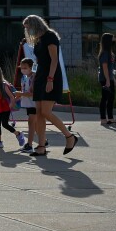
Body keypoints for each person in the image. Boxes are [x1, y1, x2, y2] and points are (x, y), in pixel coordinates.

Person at [23, 15, 78, 157]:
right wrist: (34, 81)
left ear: (35, 25)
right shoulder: (38, 40)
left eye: (28, 28)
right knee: (39, 113)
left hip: (51, 77)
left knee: (46, 112)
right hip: (40, 76)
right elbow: (39, 62)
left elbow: (54, 60)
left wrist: (50, 79)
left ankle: (69, 136)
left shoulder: (50, 36)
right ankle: (41, 146)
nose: (27, 31)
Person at [0, 64, 25, 149]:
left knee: (5, 124)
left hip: (5, 108)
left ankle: (18, 134)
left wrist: (12, 104)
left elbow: (11, 96)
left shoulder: (3, 85)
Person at [13, 58, 40, 153]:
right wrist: (14, 100)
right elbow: (24, 92)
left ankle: (29, 145)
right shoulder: (23, 78)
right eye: (22, 67)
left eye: (25, 67)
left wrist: (19, 94)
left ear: (31, 67)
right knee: (35, 126)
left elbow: (31, 93)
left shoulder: (34, 77)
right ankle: (44, 142)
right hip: (29, 104)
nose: (23, 69)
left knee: (31, 123)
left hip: (35, 104)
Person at [98, 32, 116, 126]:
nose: (114, 40)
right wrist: (107, 80)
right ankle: (103, 119)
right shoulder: (105, 53)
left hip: (109, 78)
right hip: (105, 78)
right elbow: (105, 67)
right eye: (113, 38)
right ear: (108, 41)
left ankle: (110, 118)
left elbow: (111, 68)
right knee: (105, 98)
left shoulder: (109, 52)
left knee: (111, 98)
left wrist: (113, 79)